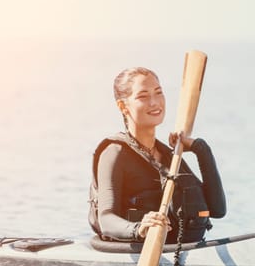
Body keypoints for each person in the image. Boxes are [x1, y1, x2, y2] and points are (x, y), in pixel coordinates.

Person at [89, 67, 226, 244]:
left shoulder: (169, 157)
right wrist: (139, 229)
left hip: (180, 253)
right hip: (135, 253)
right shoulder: (114, 153)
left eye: (158, 93)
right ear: (123, 106)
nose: (154, 102)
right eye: (143, 96)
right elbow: (106, 219)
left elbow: (218, 210)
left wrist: (201, 149)